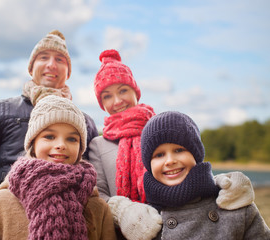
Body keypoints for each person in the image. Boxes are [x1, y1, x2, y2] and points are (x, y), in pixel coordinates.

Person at [88, 49, 255, 240]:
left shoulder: (160, 129)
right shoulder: (98, 145)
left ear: (135, 91)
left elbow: (192, 168)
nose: (117, 101)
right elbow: (98, 195)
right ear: (101, 102)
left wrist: (225, 185)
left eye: (123, 90)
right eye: (107, 96)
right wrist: (124, 211)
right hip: (124, 233)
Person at [0, 30, 98, 240]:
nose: (51, 64)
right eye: (43, 57)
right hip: (9, 223)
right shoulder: (1, 110)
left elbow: (93, 180)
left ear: (68, 72)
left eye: (60, 59)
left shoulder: (84, 122)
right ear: (31, 68)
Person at [0, 95, 117, 240]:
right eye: (50, 136)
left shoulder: (98, 208)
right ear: (33, 144)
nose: (61, 145)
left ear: (80, 150)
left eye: (71, 139)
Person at [139, 111, 270, 239]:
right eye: (159, 155)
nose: (170, 161)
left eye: (179, 150)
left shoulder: (234, 204)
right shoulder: (143, 220)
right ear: (149, 164)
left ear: (196, 155)